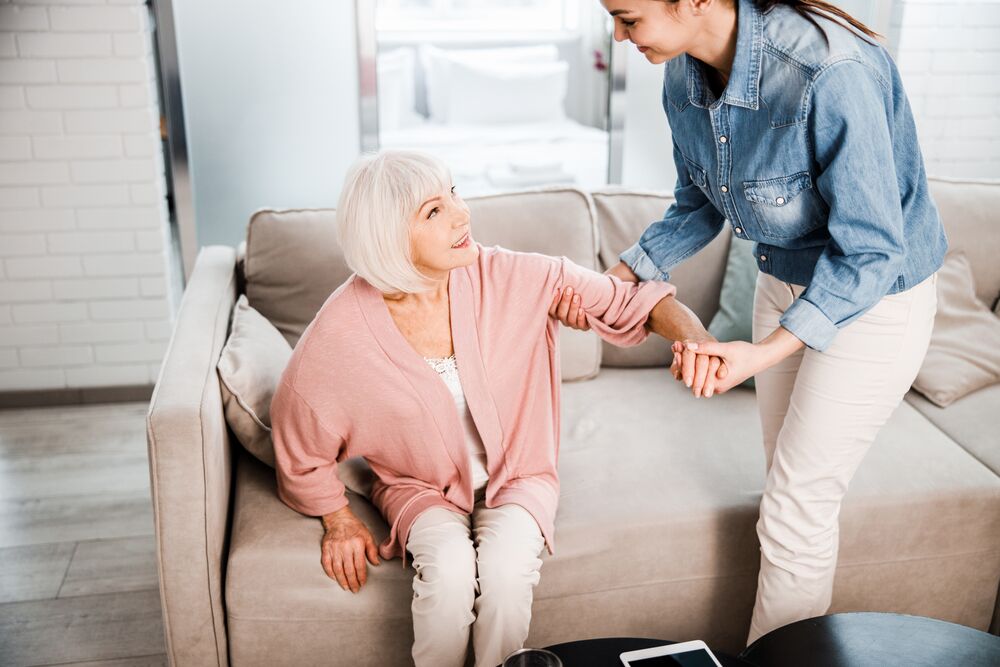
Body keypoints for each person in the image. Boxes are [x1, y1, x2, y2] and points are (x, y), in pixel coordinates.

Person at [554, 0, 946, 644]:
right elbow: (699, 204)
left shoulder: (829, 74)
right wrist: (616, 278)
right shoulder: (683, 72)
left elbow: (872, 251)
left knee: (796, 507)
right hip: (782, 278)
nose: (618, 37)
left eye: (628, 18)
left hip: (877, 299)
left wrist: (760, 353)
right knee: (787, 494)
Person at [269, 149, 718, 667]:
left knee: (506, 576)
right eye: (434, 211)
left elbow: (632, 301)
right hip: (418, 487)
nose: (462, 214)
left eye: (453, 193)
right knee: (448, 575)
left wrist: (701, 344)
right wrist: (337, 518)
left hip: (521, 476)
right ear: (388, 236)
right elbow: (298, 439)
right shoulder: (341, 333)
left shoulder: (510, 274)